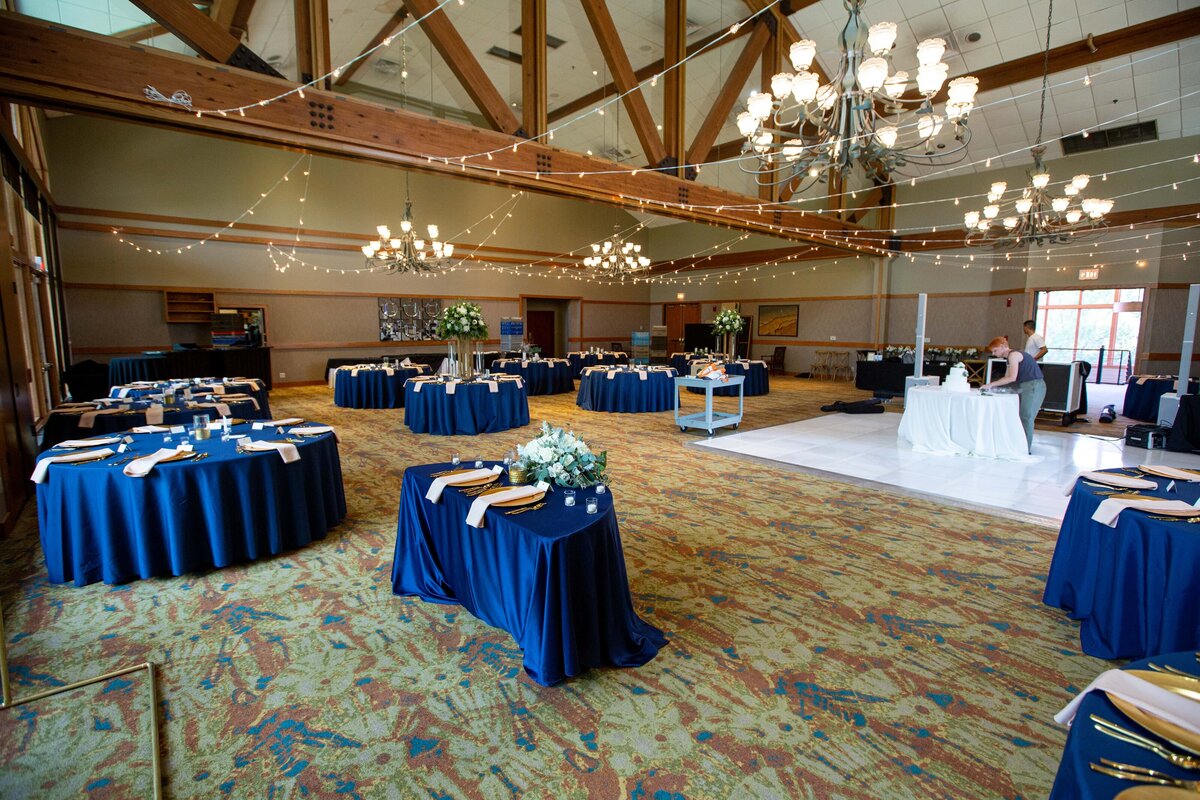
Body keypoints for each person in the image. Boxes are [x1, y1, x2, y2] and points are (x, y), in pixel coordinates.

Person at [982, 336, 1046, 453]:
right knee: (1021, 416)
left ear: (1002, 346)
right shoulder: (1010, 358)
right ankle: (1020, 445)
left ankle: (1025, 449)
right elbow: (1008, 377)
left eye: (995, 351)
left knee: (1026, 417)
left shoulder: (1013, 355)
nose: (994, 354)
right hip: (1027, 385)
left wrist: (990, 385)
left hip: (1033, 385)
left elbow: (1012, 377)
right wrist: (994, 386)